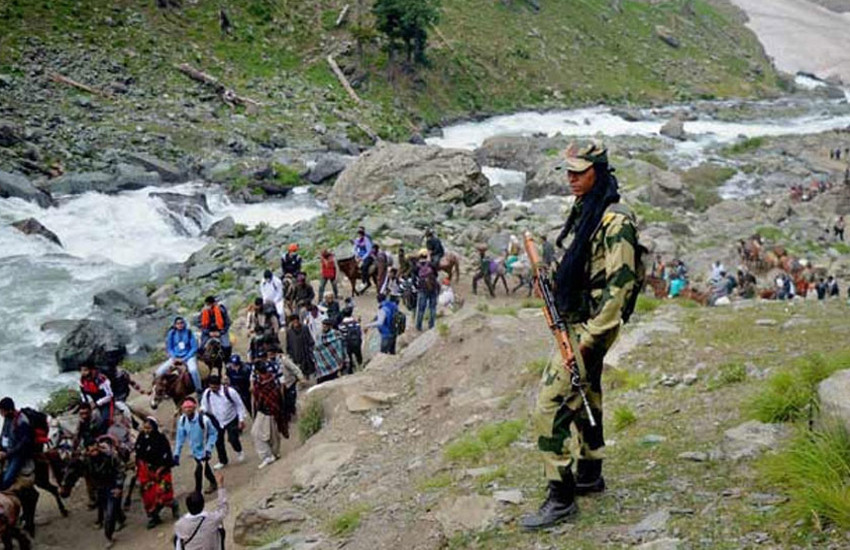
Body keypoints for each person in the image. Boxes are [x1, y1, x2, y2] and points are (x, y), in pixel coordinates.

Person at [522, 140, 639, 530]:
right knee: (587, 392)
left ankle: (561, 497)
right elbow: (582, 264)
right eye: (568, 172)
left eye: (579, 172)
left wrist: (591, 338)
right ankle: (590, 473)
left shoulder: (615, 221)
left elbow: (619, 286)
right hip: (577, 318)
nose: (571, 179)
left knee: (549, 405)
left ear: (598, 171)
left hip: (593, 325)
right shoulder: (585, 208)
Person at [135, 417, 176, 529]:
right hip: (146, 473)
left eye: (149, 428)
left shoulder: (161, 439)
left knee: (162, 493)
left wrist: (161, 467)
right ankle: (154, 517)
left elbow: (167, 455)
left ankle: (173, 505)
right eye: (145, 427)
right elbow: (138, 454)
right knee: (148, 496)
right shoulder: (141, 437)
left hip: (161, 471)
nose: (147, 430)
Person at [200, 375, 247, 470]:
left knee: (233, 438)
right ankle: (223, 460)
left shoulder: (230, 392)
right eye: (211, 387)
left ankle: (239, 451)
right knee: (218, 441)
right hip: (216, 420)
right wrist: (202, 410)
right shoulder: (207, 393)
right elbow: (204, 405)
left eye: (214, 387)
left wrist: (241, 419)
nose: (212, 389)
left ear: (219, 385)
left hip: (231, 418)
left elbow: (239, 405)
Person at [87, 435, 127, 545]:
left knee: (109, 513)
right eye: (90, 449)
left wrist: (119, 487)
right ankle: (122, 519)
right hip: (100, 488)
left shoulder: (110, 457)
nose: (93, 450)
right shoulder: (87, 461)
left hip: (112, 486)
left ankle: (108, 536)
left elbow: (120, 470)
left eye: (95, 447)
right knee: (110, 508)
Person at [173, 398, 218, 495]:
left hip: (204, 450)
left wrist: (209, 449)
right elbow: (180, 438)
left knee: (198, 472)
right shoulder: (183, 420)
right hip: (195, 450)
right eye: (185, 408)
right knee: (206, 469)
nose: (188, 410)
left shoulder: (204, 420)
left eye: (190, 407)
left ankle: (197, 492)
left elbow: (213, 433)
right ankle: (214, 482)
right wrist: (176, 454)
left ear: (194, 408)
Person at [173, 470, 228, 550]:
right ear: (203, 505)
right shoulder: (212, 519)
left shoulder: (180, 524)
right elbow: (223, 508)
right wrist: (220, 485)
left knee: (177, 539)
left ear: (188, 506)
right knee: (220, 529)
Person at [251, 361, 288, 469]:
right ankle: (274, 454)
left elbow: (262, 396)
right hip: (270, 410)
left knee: (258, 434)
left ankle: (268, 456)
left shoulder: (265, 383)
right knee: (272, 434)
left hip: (268, 411)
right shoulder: (270, 379)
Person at [156, 316, 203, 399]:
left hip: (188, 357)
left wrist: (185, 358)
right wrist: (174, 357)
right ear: (175, 325)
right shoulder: (172, 333)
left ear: (184, 323)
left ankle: (199, 389)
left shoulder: (188, 332)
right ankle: (161, 390)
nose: (180, 325)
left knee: (193, 370)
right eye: (178, 323)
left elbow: (194, 347)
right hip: (175, 357)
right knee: (159, 372)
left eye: (181, 323)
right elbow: (169, 347)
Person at [0, 398, 34, 493]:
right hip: (7, 450)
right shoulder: (7, 418)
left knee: (6, 480)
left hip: (18, 454)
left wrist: (7, 454)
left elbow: (23, 444)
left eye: (2, 411)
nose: (1, 414)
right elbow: (3, 435)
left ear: (10, 410)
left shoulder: (22, 421)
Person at [79, 364, 114, 431]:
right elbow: (83, 393)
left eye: (85, 370)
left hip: (105, 402)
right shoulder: (82, 380)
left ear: (91, 370)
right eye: (81, 370)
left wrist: (97, 403)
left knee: (105, 419)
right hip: (91, 402)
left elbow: (109, 395)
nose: (83, 373)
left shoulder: (101, 379)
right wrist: (88, 402)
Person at [313, 318, 348, 384]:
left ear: (330, 326)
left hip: (334, 363)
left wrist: (341, 360)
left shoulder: (336, 334)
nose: (324, 327)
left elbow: (339, 348)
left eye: (326, 325)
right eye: (323, 325)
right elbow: (317, 348)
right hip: (322, 365)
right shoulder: (320, 336)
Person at [198, 296, 232, 363]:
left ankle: (227, 361)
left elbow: (228, 323)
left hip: (221, 331)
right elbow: (200, 324)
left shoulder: (222, 310)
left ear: (213, 303)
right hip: (208, 331)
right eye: (206, 304)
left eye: (208, 304)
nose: (207, 306)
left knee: (226, 346)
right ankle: (203, 362)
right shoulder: (203, 312)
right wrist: (208, 332)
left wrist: (221, 332)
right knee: (201, 347)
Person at [285, 314, 315, 379]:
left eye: (296, 321)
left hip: (307, 356)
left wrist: (311, 351)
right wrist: (291, 356)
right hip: (297, 357)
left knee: (311, 374)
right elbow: (288, 346)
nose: (295, 323)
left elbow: (310, 340)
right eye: (293, 321)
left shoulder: (305, 328)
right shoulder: (289, 332)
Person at [415, 249, 439, 331]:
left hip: (422, 289)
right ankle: (431, 326)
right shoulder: (431, 265)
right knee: (432, 308)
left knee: (421, 308)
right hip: (433, 288)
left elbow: (414, 277)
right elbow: (436, 274)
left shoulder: (417, 266)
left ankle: (418, 326)